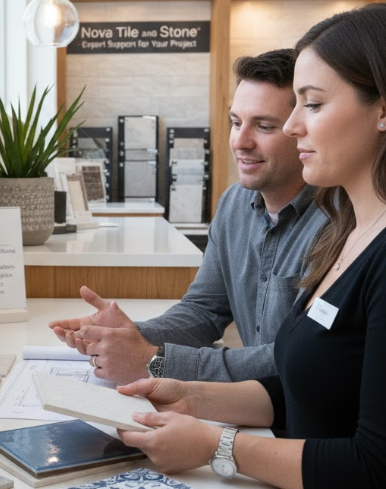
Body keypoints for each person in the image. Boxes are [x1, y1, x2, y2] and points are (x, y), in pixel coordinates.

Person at [116, 6, 386, 488]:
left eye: (313, 104)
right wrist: (191, 397)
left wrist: (216, 447)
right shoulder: (352, 234)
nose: (294, 126)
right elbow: (317, 387)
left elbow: (373, 464)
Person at [49, 50, 328, 384]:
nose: (239, 142)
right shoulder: (234, 205)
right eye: (236, 122)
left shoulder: (340, 224)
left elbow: (299, 358)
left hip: (296, 420)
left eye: (264, 126)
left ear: (303, 130)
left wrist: (155, 359)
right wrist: (131, 334)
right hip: (251, 408)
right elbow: (204, 311)